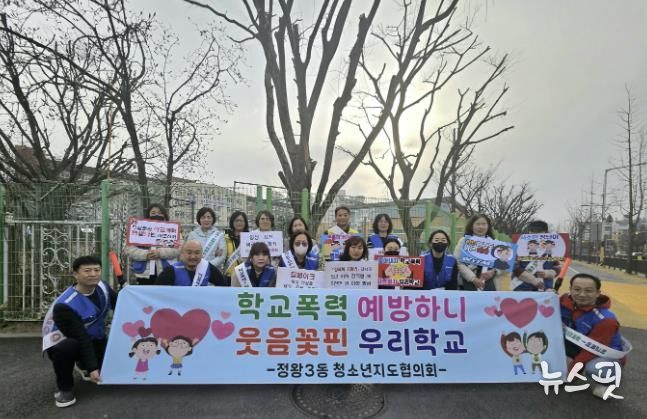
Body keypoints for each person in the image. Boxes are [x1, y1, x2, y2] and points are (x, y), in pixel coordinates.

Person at [42, 256, 118, 408]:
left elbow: (120, 305)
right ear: (75, 274)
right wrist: (92, 368)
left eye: (97, 270)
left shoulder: (103, 287)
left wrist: (130, 292)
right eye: (87, 271)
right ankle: (65, 388)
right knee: (67, 347)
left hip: (96, 338)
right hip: (68, 341)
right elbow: (81, 337)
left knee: (113, 370)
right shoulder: (65, 305)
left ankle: (84, 362)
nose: (93, 274)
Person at [560, 273, 629, 399]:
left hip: (600, 354)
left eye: (588, 291)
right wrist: (547, 295)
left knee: (595, 368)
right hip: (577, 346)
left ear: (598, 293)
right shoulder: (564, 300)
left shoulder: (606, 319)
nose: (582, 294)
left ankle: (606, 382)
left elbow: (591, 350)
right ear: (570, 290)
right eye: (577, 289)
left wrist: (572, 371)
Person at [126, 203, 180, 285]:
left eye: (160, 213)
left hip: (166, 272)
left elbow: (178, 249)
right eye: (153, 213)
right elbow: (129, 249)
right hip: (143, 274)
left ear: (165, 215)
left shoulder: (172, 229)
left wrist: (160, 253)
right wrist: (146, 255)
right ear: (148, 215)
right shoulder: (138, 229)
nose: (156, 215)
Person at [453, 213, 499, 291]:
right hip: (468, 281)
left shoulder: (494, 242)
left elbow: (502, 263)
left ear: (488, 226)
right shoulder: (464, 241)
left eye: (484, 224)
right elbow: (458, 262)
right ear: (472, 226)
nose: (481, 227)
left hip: (489, 281)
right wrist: (473, 279)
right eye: (478, 224)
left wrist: (493, 271)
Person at [511, 220, 560, 292]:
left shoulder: (551, 249)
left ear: (546, 233)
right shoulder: (520, 246)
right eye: (533, 232)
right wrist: (532, 280)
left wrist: (548, 273)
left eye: (539, 232)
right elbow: (514, 266)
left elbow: (557, 267)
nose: (536, 235)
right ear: (529, 232)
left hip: (546, 288)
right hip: (522, 288)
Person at [156, 240, 228, 286]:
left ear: (202, 255)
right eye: (189, 253)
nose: (193, 256)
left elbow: (224, 288)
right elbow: (156, 292)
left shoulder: (207, 268)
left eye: (197, 253)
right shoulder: (171, 270)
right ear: (182, 254)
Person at [223, 211, 249, 279]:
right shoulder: (225, 237)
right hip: (229, 274)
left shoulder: (250, 237)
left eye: (241, 221)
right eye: (236, 221)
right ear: (232, 222)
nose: (239, 223)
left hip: (246, 274)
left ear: (245, 222)